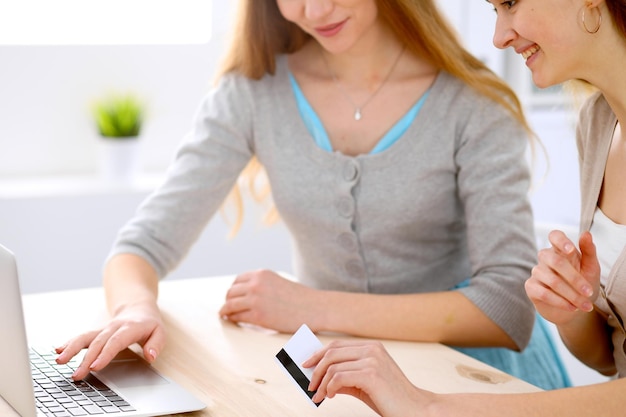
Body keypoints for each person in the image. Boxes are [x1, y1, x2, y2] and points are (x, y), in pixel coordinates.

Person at [55, 0, 568, 390]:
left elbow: (507, 308)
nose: (314, 10)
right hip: (333, 371)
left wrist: (311, 307)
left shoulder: (471, 103)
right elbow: (141, 246)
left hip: (474, 375)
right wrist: (134, 309)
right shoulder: (253, 92)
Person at [300, 0, 626, 415]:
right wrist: (571, 311)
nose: (499, 36)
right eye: (494, 11)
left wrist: (430, 407)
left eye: (510, 3)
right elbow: (608, 360)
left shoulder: (471, 108)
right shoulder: (599, 123)